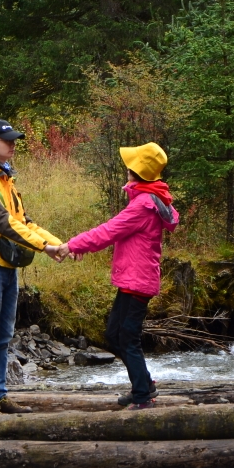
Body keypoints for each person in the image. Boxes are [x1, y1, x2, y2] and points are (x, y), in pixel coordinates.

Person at [59, 142, 179, 409]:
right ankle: (144, 384)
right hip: (132, 281)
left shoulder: (144, 205)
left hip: (138, 282)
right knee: (115, 335)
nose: (126, 170)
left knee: (127, 337)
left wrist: (73, 245)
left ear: (136, 172)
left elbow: (109, 231)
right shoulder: (147, 199)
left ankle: (142, 396)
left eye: (129, 167)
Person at [0, 118, 64, 416]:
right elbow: (2, 223)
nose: (13, 144)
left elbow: (24, 221)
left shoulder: (5, 178)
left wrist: (58, 244)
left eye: (14, 139)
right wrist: (45, 248)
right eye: (7, 140)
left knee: (4, 336)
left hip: (7, 265)